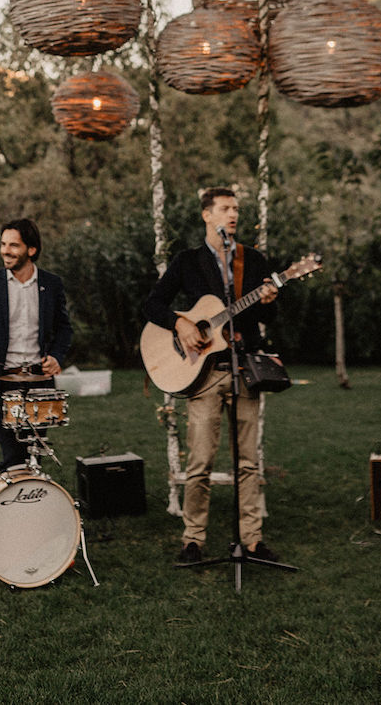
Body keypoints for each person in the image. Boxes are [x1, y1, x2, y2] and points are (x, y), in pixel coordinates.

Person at [142, 186, 281, 566]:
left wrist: (270, 300)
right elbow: (153, 304)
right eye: (225, 208)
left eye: (236, 208)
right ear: (207, 215)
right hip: (203, 375)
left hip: (243, 371)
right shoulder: (188, 261)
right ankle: (193, 540)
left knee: (248, 461)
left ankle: (251, 540)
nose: (233, 215)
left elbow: (267, 319)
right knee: (200, 461)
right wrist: (181, 324)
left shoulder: (253, 261)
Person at [0, 217, 73, 472]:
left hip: (39, 385)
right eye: (3, 244)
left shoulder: (51, 285)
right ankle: (8, 504)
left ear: (31, 250)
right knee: (15, 454)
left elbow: (64, 328)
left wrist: (57, 356)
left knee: (33, 455)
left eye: (13, 245)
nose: (5, 251)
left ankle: (25, 505)